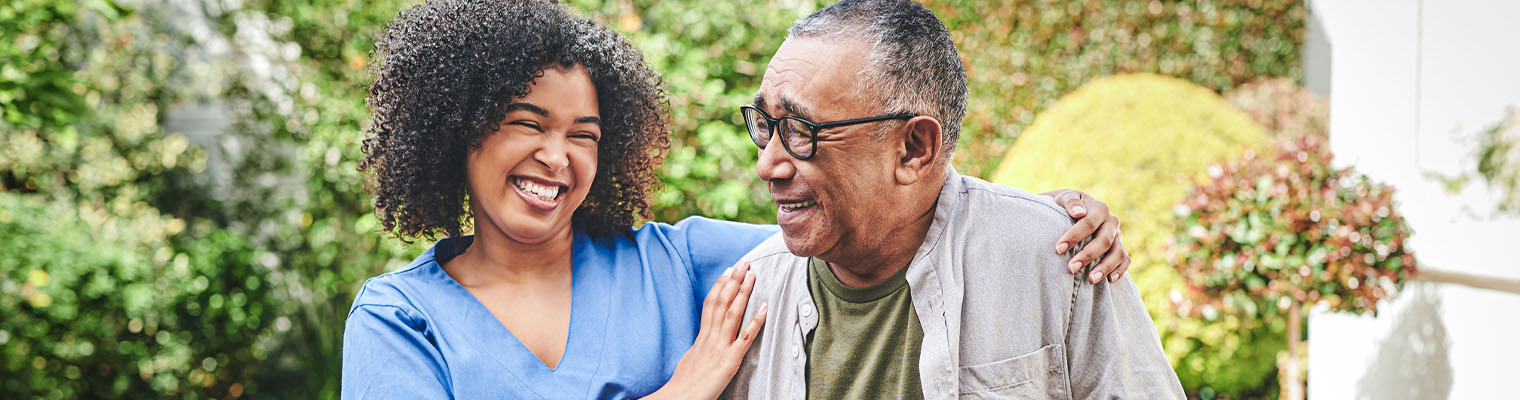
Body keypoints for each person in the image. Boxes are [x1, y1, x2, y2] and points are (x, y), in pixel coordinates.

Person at [341, 1, 1131, 399]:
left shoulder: (683, 261)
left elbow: (870, 216)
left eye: (584, 133)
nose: (558, 156)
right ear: (459, 132)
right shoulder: (398, 319)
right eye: (526, 124)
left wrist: (1050, 219)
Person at [722, 0, 1185, 399]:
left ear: (913, 149)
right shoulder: (749, 296)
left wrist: (1039, 223)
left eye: (802, 131)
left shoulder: (1061, 257)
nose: (768, 165)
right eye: (765, 123)